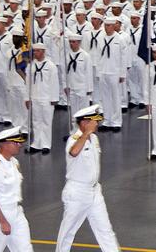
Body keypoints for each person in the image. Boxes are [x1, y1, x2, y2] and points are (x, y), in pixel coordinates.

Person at [54, 105, 121, 252]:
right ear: (84, 123)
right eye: (94, 121)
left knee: (105, 230)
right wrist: (86, 134)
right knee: (68, 232)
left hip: (95, 191)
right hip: (77, 192)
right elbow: (74, 152)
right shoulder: (74, 139)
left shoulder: (94, 138)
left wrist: (89, 134)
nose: (97, 124)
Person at [0, 127, 33, 252]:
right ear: (4, 144)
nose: (19, 145)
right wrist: (3, 222)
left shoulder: (14, 162)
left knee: (25, 249)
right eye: (16, 142)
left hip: (16, 212)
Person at [25, 43, 59, 154]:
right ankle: (37, 143)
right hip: (35, 97)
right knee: (36, 121)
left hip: (47, 97)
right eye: (34, 51)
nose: (35, 53)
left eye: (38, 51)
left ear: (43, 52)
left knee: (46, 121)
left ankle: (46, 144)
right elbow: (28, 83)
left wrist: (54, 98)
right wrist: (27, 97)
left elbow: (54, 83)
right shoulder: (31, 66)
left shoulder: (50, 66)